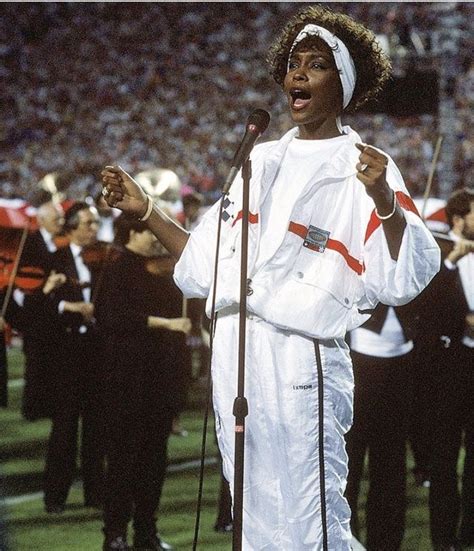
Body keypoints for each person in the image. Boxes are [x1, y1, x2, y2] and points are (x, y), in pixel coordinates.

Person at [101, 5, 440, 549]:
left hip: (300, 352)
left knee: (311, 518)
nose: (296, 74)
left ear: (344, 83)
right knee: (254, 516)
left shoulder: (361, 164)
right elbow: (202, 265)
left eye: (316, 65)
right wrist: (146, 211)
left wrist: (384, 201)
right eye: (293, 63)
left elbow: (406, 274)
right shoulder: (260, 160)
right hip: (235, 352)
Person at [95, 216, 191, 551]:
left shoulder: (163, 271)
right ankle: (115, 533)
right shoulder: (119, 269)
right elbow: (110, 316)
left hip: (158, 384)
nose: (155, 239)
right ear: (133, 234)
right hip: (128, 383)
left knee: (154, 463)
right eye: (149, 232)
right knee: (123, 461)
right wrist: (167, 324)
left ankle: (146, 531)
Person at [418, 188, 474, 551]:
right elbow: (428, 306)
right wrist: (452, 260)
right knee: (444, 457)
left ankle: (469, 531)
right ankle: (443, 538)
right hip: (450, 367)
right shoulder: (437, 255)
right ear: (458, 219)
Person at [41, 201, 105, 513]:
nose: (95, 229)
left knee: (96, 426)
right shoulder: (54, 260)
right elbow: (42, 306)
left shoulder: (105, 260)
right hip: (67, 353)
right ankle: (55, 497)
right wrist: (70, 307)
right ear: (72, 227)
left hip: (97, 351)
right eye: (89, 223)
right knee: (64, 428)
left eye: (96, 223)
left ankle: (95, 494)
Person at [345, 301, 419, 550]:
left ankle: (386, 543)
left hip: (402, 358)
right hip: (358, 359)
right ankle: (344, 541)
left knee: (392, 461)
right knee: (348, 462)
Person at [17, 195, 66, 420]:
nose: (61, 221)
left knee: (50, 359)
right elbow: (26, 278)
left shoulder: (56, 242)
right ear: (42, 219)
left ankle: (45, 404)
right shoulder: (30, 242)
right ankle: (32, 408)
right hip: (35, 307)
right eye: (57, 217)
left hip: (50, 309)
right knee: (36, 359)